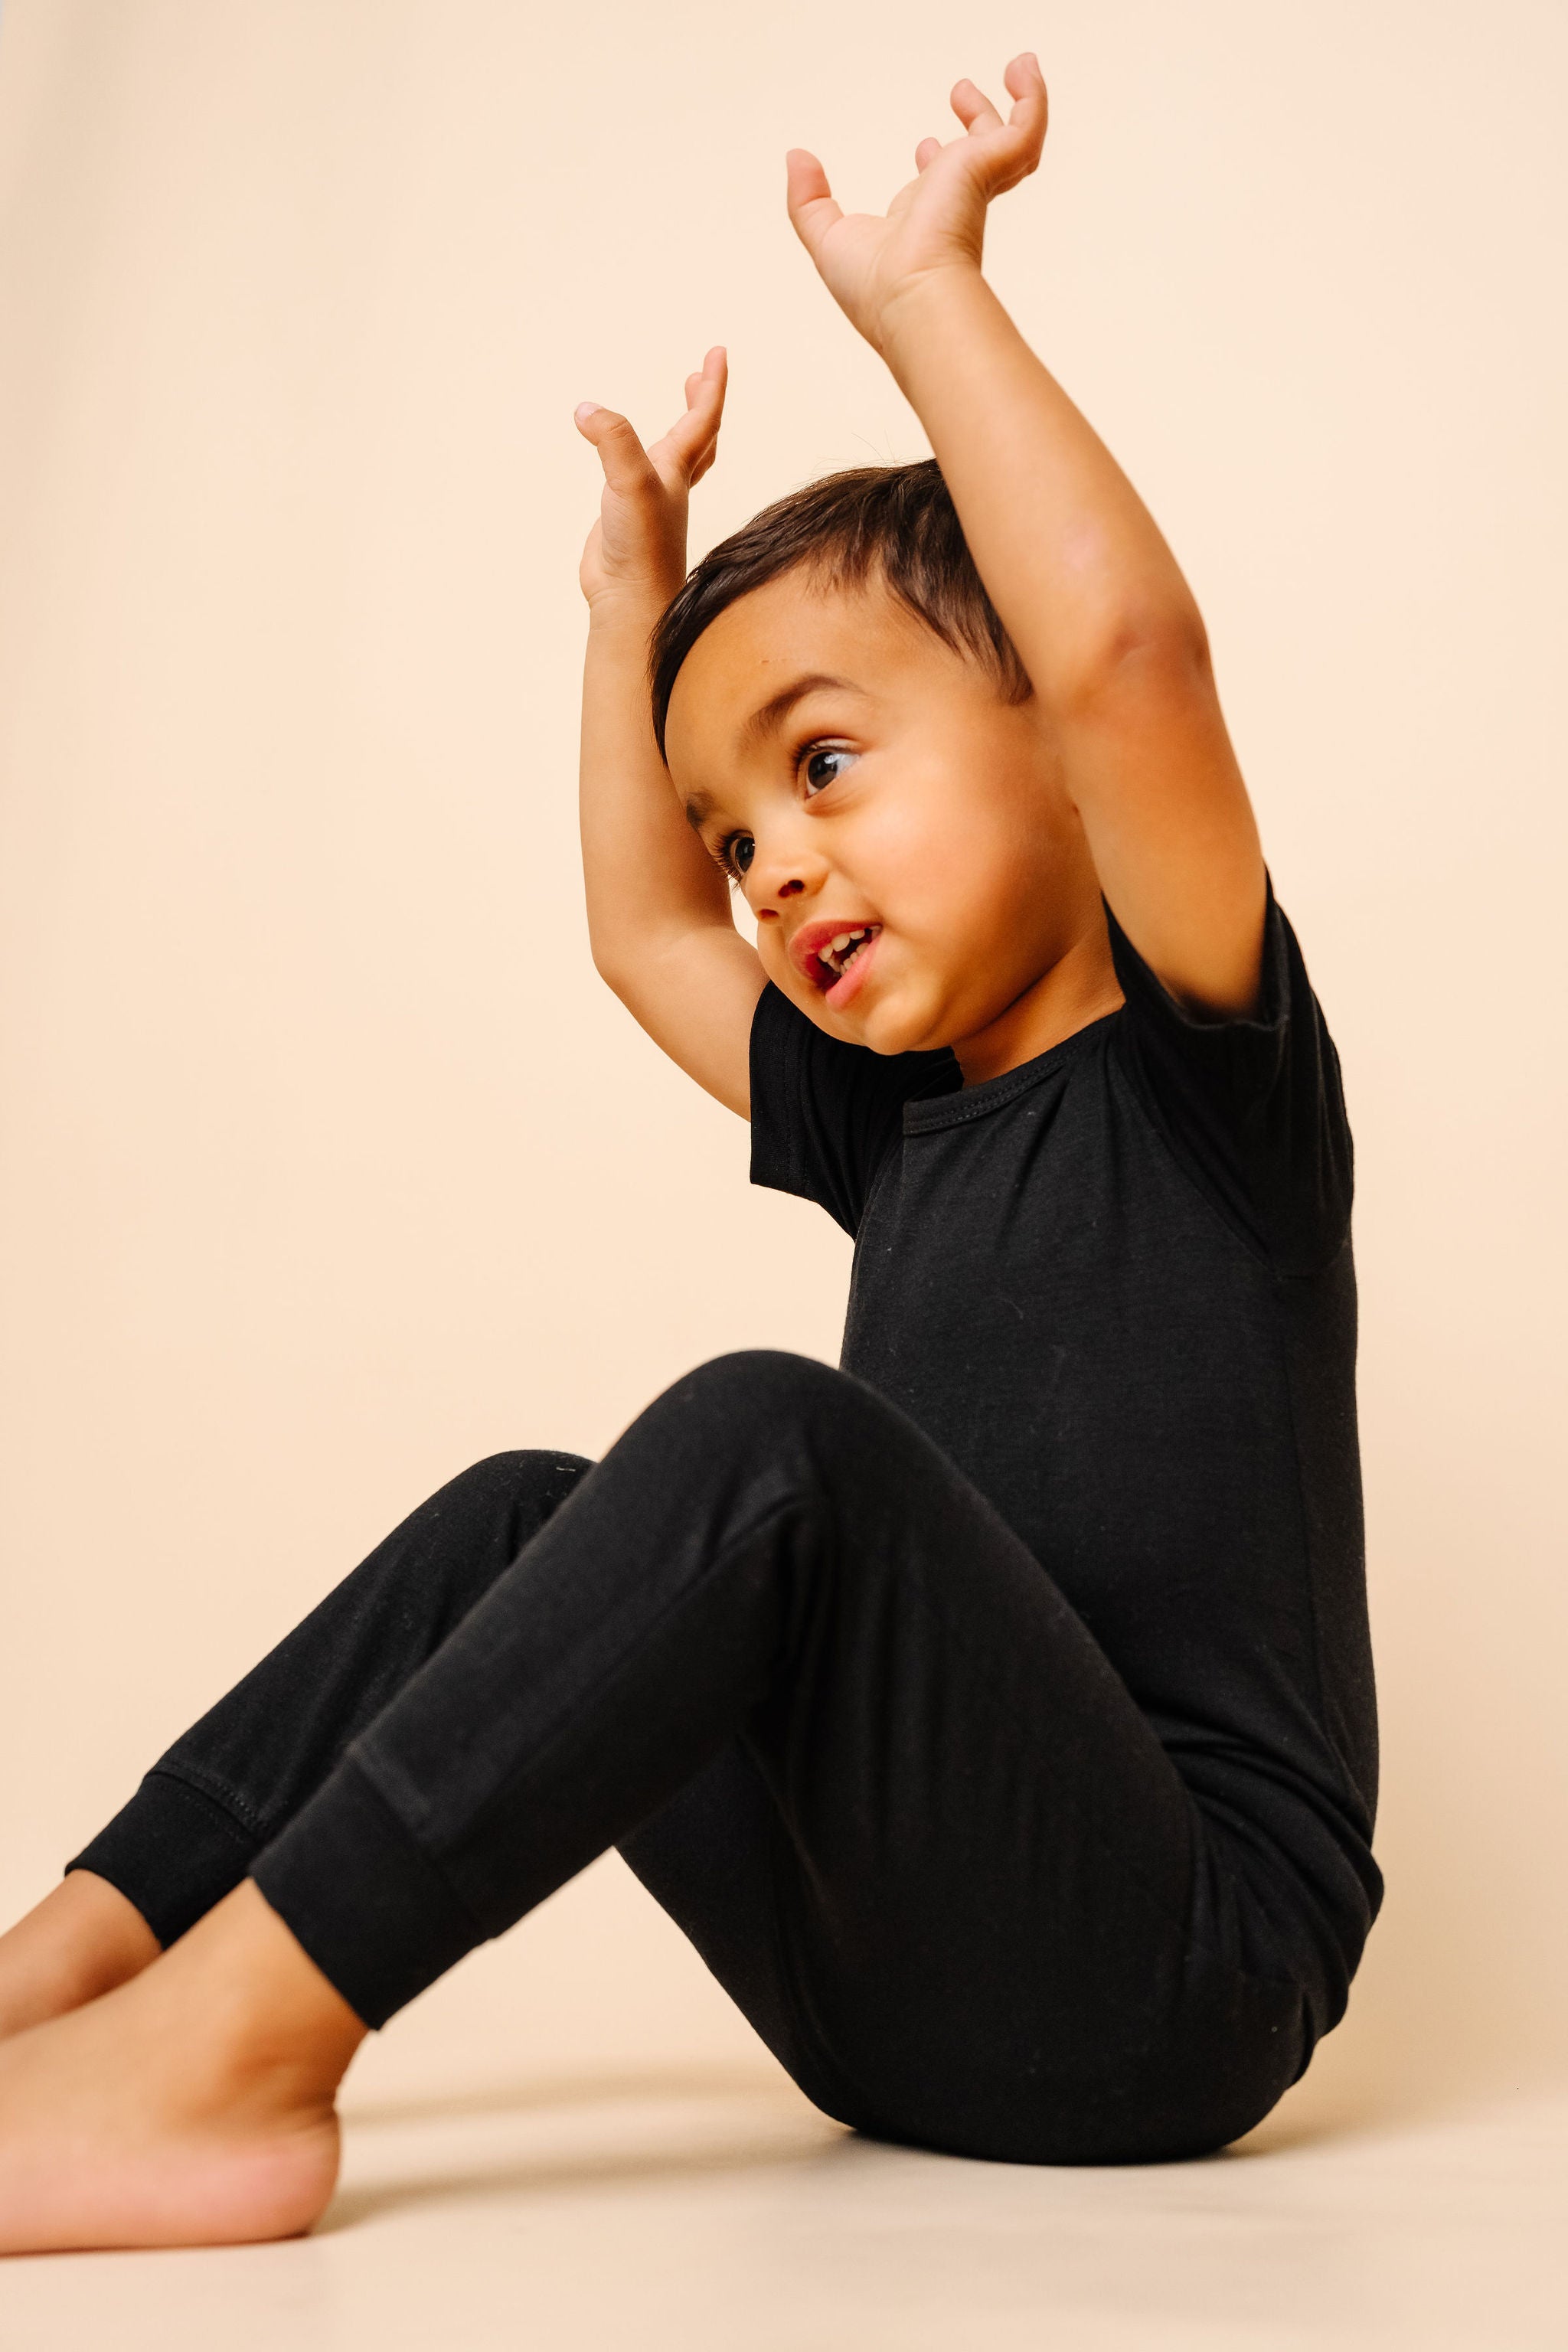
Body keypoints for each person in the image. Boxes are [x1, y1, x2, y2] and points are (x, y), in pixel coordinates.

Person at [0, 54, 1379, 2252]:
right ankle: (61, 1982)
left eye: (822, 766)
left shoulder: (1204, 1068)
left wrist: (926, 298)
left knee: (767, 1437)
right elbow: (643, 934)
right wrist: (621, 617)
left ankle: (226, 2064)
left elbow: (1131, 652)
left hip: (1177, 1973)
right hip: (888, 1991)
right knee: (516, 1519)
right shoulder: (892, 1127)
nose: (775, 869)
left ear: (1049, 736)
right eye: (743, 839)